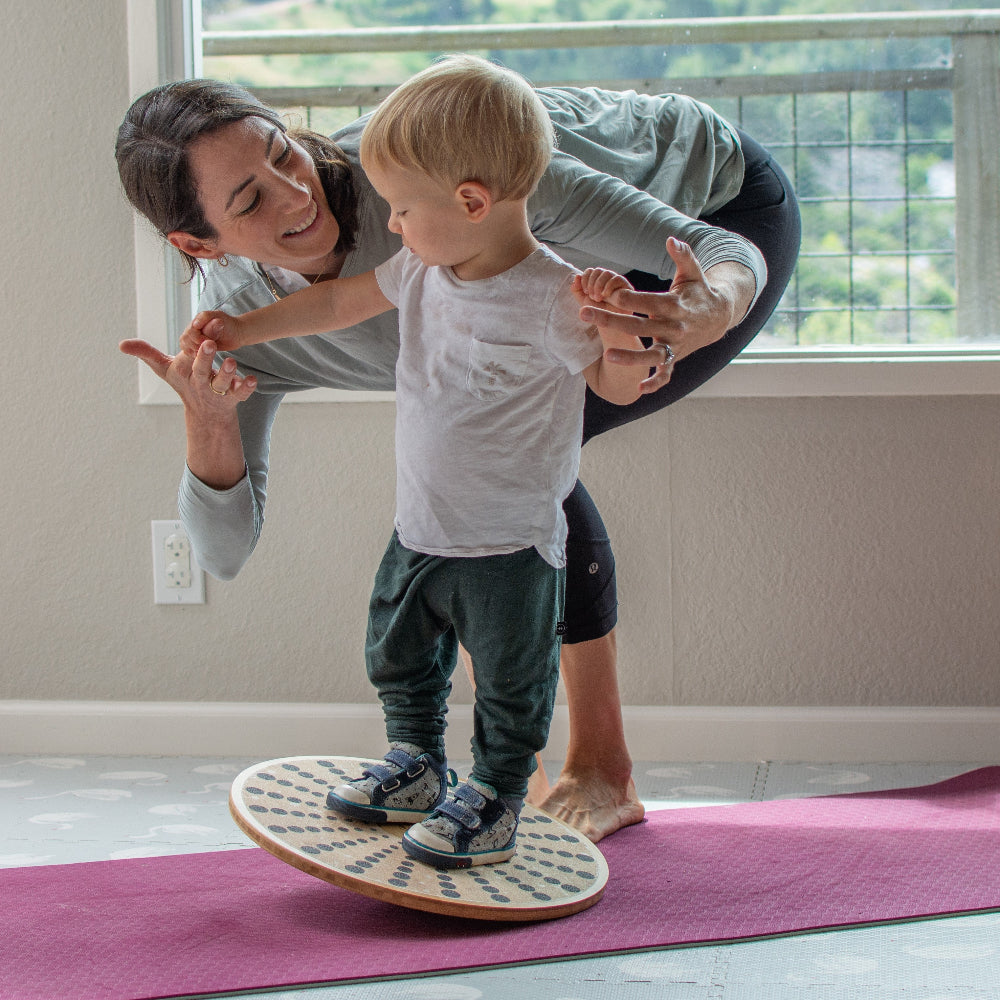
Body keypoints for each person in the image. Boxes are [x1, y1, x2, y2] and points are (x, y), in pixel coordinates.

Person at [116, 60, 800, 844]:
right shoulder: (244, 318)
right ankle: (493, 774)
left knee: (508, 463)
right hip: (578, 269)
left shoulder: (445, 183)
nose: (295, 192)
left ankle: (597, 770)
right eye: (251, 200)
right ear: (197, 243)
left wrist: (711, 302)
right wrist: (207, 422)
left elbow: (718, 247)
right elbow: (224, 553)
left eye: (282, 152)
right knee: (480, 467)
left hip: (708, 206)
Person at [178, 55, 648, 868]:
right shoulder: (421, 268)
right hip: (423, 525)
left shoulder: (552, 297)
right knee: (397, 652)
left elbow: (612, 379)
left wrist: (630, 347)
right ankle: (418, 765)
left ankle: (498, 790)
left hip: (508, 544)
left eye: (400, 209)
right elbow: (329, 303)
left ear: (469, 203)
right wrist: (239, 330)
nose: (388, 224)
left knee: (509, 682)